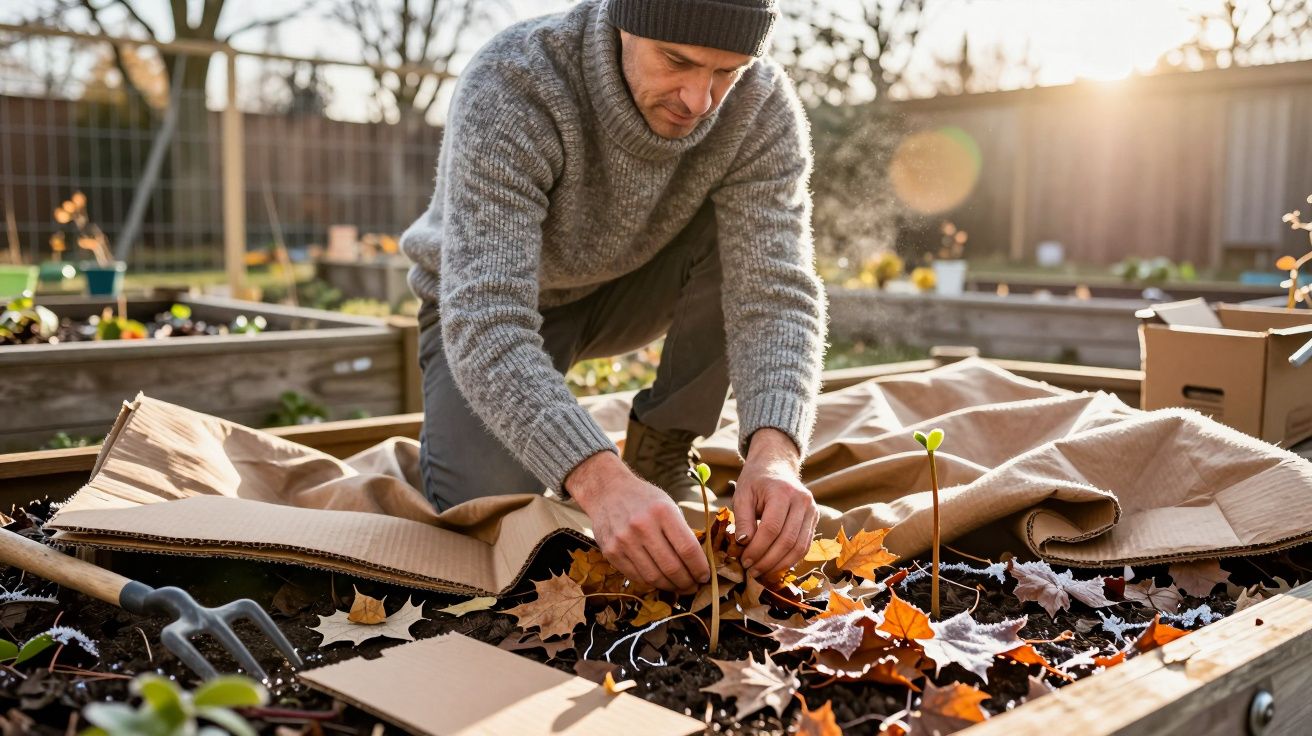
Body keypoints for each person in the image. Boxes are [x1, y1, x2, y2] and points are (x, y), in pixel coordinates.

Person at [399, 0, 827, 594]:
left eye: (726, 71)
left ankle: (662, 448)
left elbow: (776, 291)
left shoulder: (761, 105)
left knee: (746, 246)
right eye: (677, 61)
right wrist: (600, 482)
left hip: (631, 288)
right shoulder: (517, 80)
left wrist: (775, 453)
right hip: (486, 311)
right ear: (626, 20)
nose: (699, 100)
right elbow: (487, 319)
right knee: (490, 513)